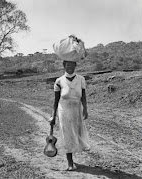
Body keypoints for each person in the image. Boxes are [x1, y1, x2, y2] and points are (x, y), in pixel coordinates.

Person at [51, 35, 90, 171]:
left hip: (77, 111)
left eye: (72, 65)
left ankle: (75, 157)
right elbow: (55, 101)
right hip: (64, 111)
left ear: (75, 66)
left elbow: (83, 96)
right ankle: (69, 162)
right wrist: (53, 116)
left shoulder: (81, 79)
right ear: (64, 66)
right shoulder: (59, 81)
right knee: (67, 135)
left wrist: (85, 109)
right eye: (68, 65)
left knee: (77, 134)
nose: (70, 68)